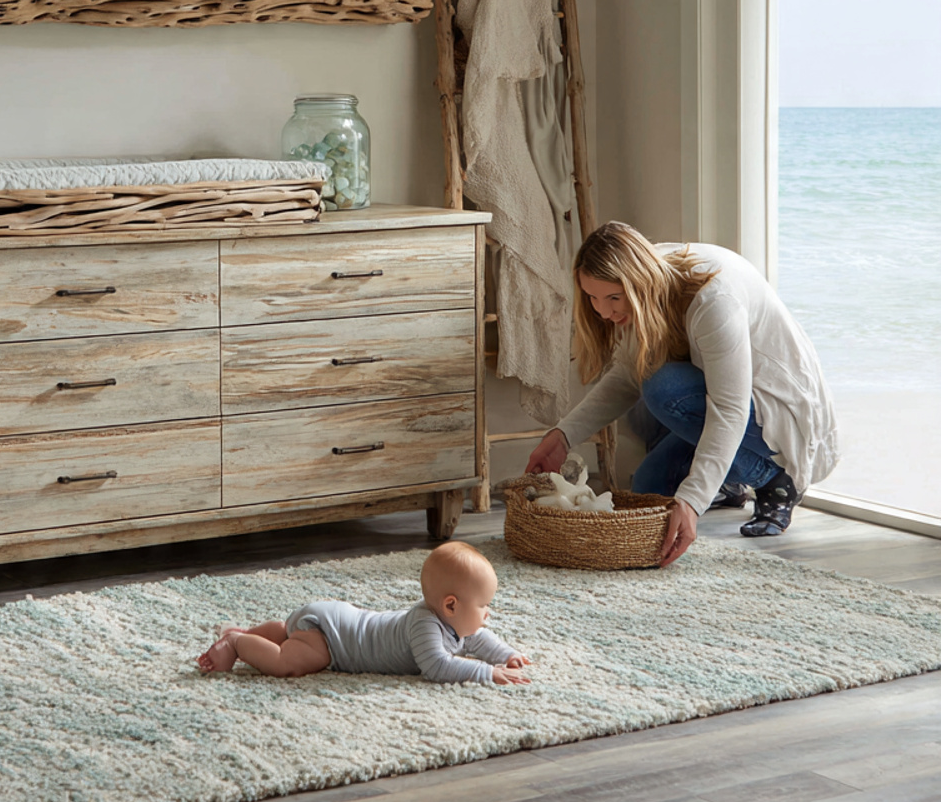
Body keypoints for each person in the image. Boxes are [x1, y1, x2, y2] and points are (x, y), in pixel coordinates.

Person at [526, 221, 838, 567]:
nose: (603, 312)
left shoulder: (713, 301)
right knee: (648, 490)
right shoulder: (651, 280)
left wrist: (691, 502)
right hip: (725, 405)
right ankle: (729, 483)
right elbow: (628, 377)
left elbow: (729, 410)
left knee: (663, 388)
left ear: (638, 282)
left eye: (614, 298)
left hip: (776, 419)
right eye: (593, 298)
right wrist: (562, 437)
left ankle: (776, 478)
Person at [195, 541, 531, 686]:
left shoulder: (453, 623)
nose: (488, 613)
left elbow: (478, 639)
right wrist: (488, 674)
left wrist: (507, 655)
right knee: (289, 663)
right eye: (484, 605)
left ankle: (259, 633)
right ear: (451, 606)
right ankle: (238, 643)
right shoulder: (425, 625)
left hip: (334, 618)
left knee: (289, 633)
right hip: (335, 639)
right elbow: (438, 667)